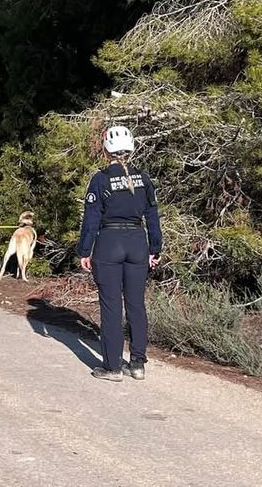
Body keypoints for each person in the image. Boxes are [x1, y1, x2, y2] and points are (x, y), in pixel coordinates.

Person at [77, 125, 162, 382]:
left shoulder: (101, 179)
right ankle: (137, 364)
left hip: (109, 242)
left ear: (106, 150)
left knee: (112, 306)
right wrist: (154, 248)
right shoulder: (144, 179)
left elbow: (91, 219)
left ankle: (113, 366)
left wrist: (84, 250)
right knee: (136, 304)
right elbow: (152, 216)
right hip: (138, 242)